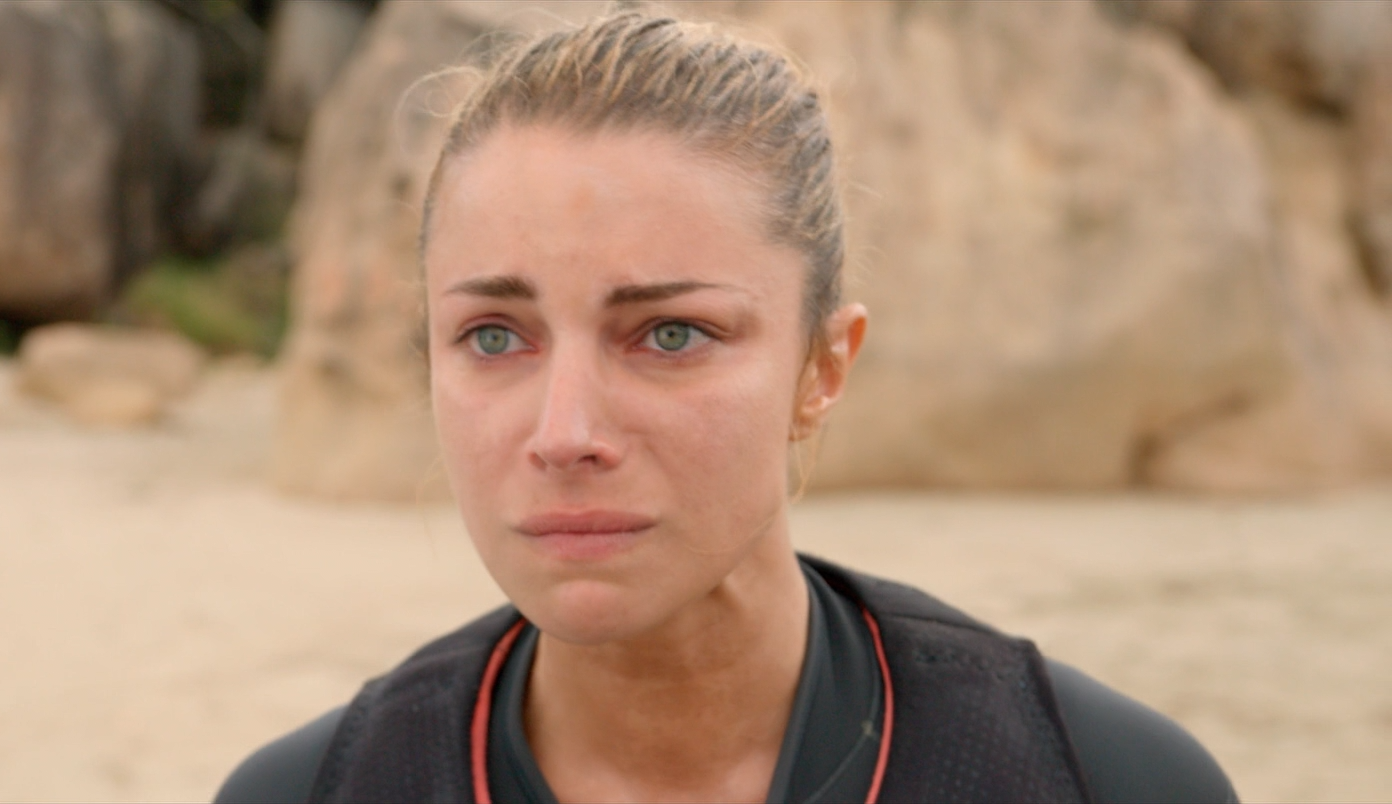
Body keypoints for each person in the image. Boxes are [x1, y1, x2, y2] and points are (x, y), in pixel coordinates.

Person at [217, 12, 1237, 804]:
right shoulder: (312, 793)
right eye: (494, 337)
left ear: (821, 368)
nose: (566, 434)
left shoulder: (1102, 781)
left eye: (670, 335)